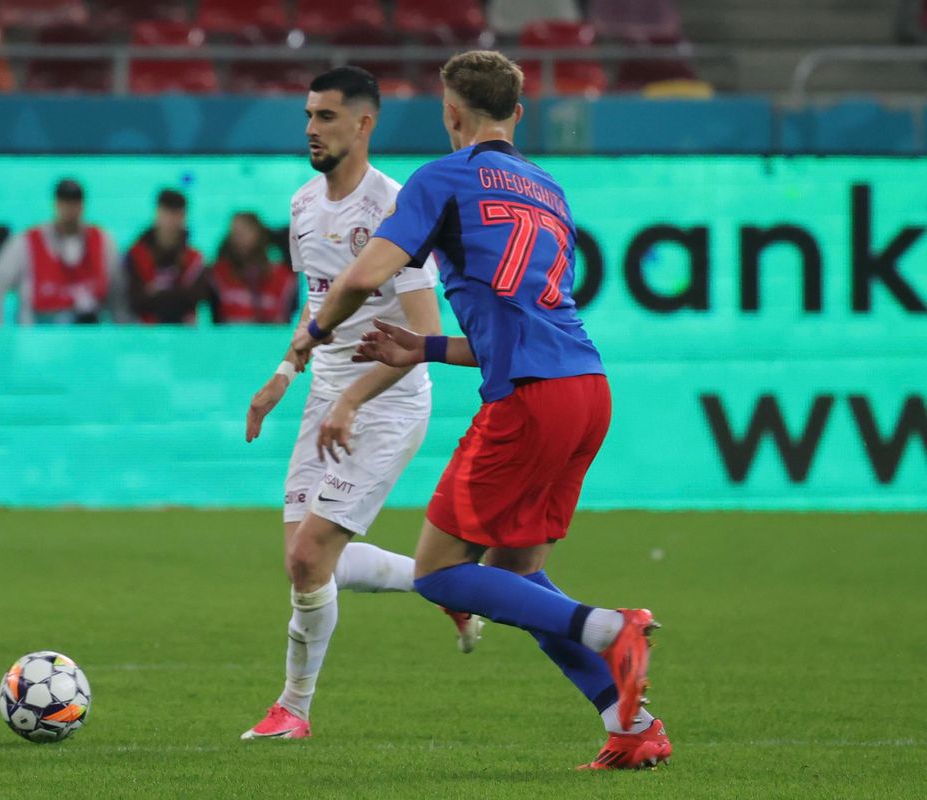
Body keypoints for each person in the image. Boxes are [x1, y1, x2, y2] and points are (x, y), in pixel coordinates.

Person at [290, 51, 670, 771]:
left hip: (529, 398)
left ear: (450, 113)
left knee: (438, 573)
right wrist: (425, 347)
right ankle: (632, 725)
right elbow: (523, 318)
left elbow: (367, 273)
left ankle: (610, 628)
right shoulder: (550, 190)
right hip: (587, 389)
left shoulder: (443, 177)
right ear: (517, 113)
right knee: (516, 579)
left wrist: (313, 332)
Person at [240, 66, 483, 742]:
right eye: (308, 116)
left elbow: (423, 334)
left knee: (308, 559)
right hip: (325, 396)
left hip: (386, 403)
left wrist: (352, 397)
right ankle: (447, 584)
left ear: (363, 123)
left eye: (325, 117)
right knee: (306, 563)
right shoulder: (302, 206)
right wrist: (284, 373)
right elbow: (318, 305)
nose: (311, 129)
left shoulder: (397, 210)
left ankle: (293, 710)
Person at [0, 178, 122, 325]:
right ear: (56, 204)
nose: (70, 209)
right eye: (65, 202)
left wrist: (122, 331)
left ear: (82, 205)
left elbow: (119, 294)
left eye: (74, 202)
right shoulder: (27, 243)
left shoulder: (103, 242)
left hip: (87, 334)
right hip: (38, 333)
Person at [123, 189, 207, 324]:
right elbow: (135, 300)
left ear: (184, 217)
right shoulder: (136, 255)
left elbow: (195, 298)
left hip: (184, 331)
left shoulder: (194, 259)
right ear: (157, 213)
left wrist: (155, 291)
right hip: (146, 331)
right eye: (166, 213)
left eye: (176, 215)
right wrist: (177, 292)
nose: (170, 221)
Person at [208, 212, 299, 324]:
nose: (238, 238)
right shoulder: (219, 274)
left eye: (243, 232)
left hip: (273, 334)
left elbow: (290, 316)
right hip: (229, 334)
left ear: (259, 234)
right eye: (234, 233)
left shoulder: (283, 277)